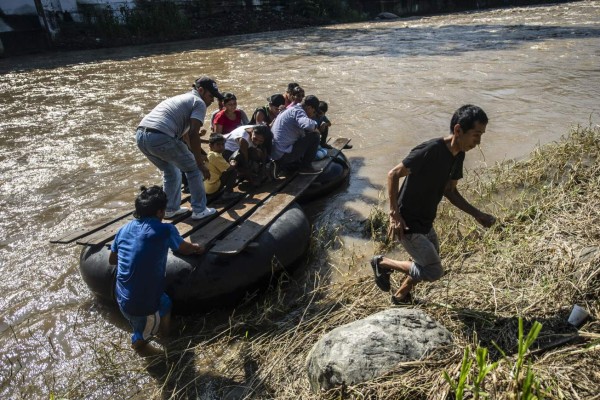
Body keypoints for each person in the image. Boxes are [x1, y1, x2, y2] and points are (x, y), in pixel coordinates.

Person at [371, 104, 496, 304]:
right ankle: (382, 263)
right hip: (408, 223)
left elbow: (450, 190)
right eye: (476, 134)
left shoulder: (459, 154)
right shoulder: (430, 150)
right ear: (458, 130)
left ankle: (401, 295)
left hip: (426, 220)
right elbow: (393, 174)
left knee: (425, 263)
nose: (479, 142)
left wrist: (478, 214)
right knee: (433, 270)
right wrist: (394, 213)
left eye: (481, 135)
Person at [109, 186, 205, 353]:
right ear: (161, 212)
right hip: (141, 305)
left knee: (165, 303)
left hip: (122, 295)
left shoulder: (123, 229)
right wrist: (198, 248)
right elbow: (185, 249)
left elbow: (112, 259)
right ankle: (147, 349)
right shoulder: (165, 230)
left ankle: (166, 336)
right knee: (142, 336)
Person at [136, 76, 222, 220]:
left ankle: (170, 209)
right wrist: (200, 164)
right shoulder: (198, 102)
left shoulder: (183, 99)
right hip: (162, 136)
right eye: (210, 95)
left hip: (141, 137)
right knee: (194, 169)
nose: (212, 100)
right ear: (200, 90)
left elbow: (186, 136)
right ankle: (199, 210)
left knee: (171, 170)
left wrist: (197, 155)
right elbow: (194, 134)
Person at [271, 95, 323, 176]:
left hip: (276, 154)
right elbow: (307, 125)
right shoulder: (299, 111)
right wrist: (316, 127)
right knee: (315, 136)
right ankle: (305, 168)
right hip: (282, 155)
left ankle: (292, 163)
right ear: (309, 108)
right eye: (314, 111)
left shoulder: (292, 109)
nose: (313, 115)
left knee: (305, 135)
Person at [204, 134, 240, 201]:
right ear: (211, 145)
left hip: (206, 187)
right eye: (218, 145)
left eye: (223, 144)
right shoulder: (215, 155)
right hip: (212, 187)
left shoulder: (210, 154)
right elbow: (229, 168)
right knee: (233, 172)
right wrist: (233, 163)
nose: (221, 147)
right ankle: (227, 193)